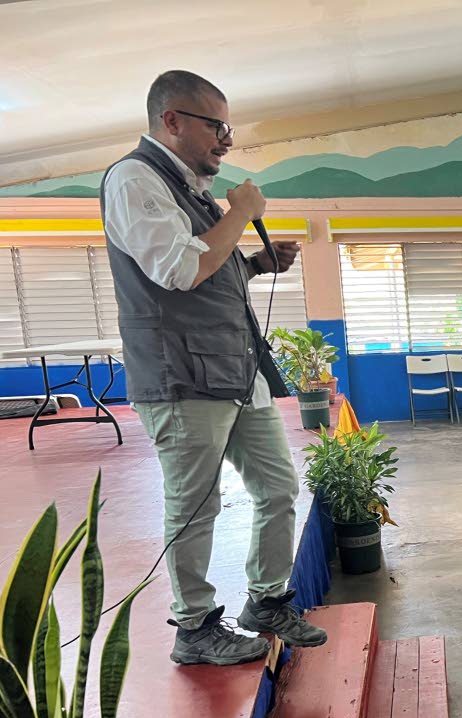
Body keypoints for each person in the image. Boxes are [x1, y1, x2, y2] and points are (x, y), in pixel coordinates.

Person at [100, 70, 323, 664]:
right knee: (197, 503)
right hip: (183, 376)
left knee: (279, 486)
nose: (226, 140)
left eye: (229, 128)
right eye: (215, 126)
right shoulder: (134, 179)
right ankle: (195, 628)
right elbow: (179, 270)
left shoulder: (192, 190)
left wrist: (256, 262)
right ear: (171, 120)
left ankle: (267, 600)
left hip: (234, 370)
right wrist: (243, 211)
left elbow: (210, 272)